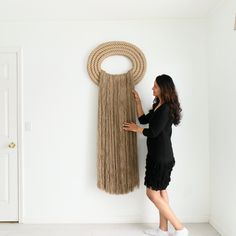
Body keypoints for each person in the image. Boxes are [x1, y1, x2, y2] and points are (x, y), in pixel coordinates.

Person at [123, 74, 189, 236]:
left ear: (163, 89)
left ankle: (180, 228)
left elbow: (152, 132)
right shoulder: (159, 105)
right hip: (160, 156)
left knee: (152, 193)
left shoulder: (165, 109)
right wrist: (137, 102)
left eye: (155, 86)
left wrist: (135, 128)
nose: (152, 88)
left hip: (160, 158)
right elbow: (144, 119)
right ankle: (163, 229)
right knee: (161, 191)